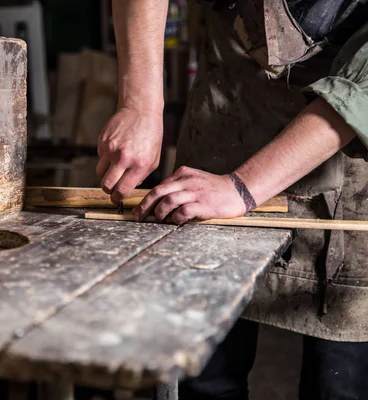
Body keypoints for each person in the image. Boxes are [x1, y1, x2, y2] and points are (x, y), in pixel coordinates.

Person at [98, 1, 368, 399]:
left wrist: (243, 187)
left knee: (338, 384)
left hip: (348, 177)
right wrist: (139, 102)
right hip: (220, 131)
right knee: (202, 379)